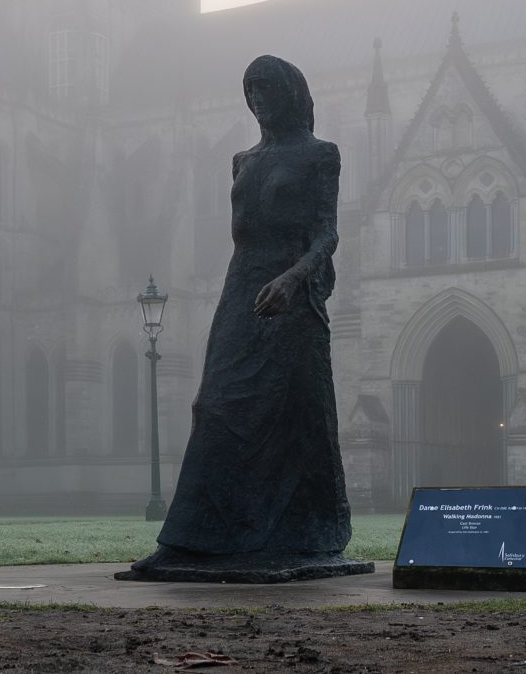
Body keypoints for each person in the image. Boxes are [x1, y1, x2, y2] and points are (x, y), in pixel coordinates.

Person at [126, 55, 361, 580]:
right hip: (241, 284)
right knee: (214, 403)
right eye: (250, 90)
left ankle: (305, 534)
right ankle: (187, 542)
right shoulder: (242, 160)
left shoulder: (321, 155)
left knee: (297, 410)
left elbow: (328, 234)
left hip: (290, 291)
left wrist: (293, 278)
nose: (257, 100)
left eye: (266, 90)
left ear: (290, 94)